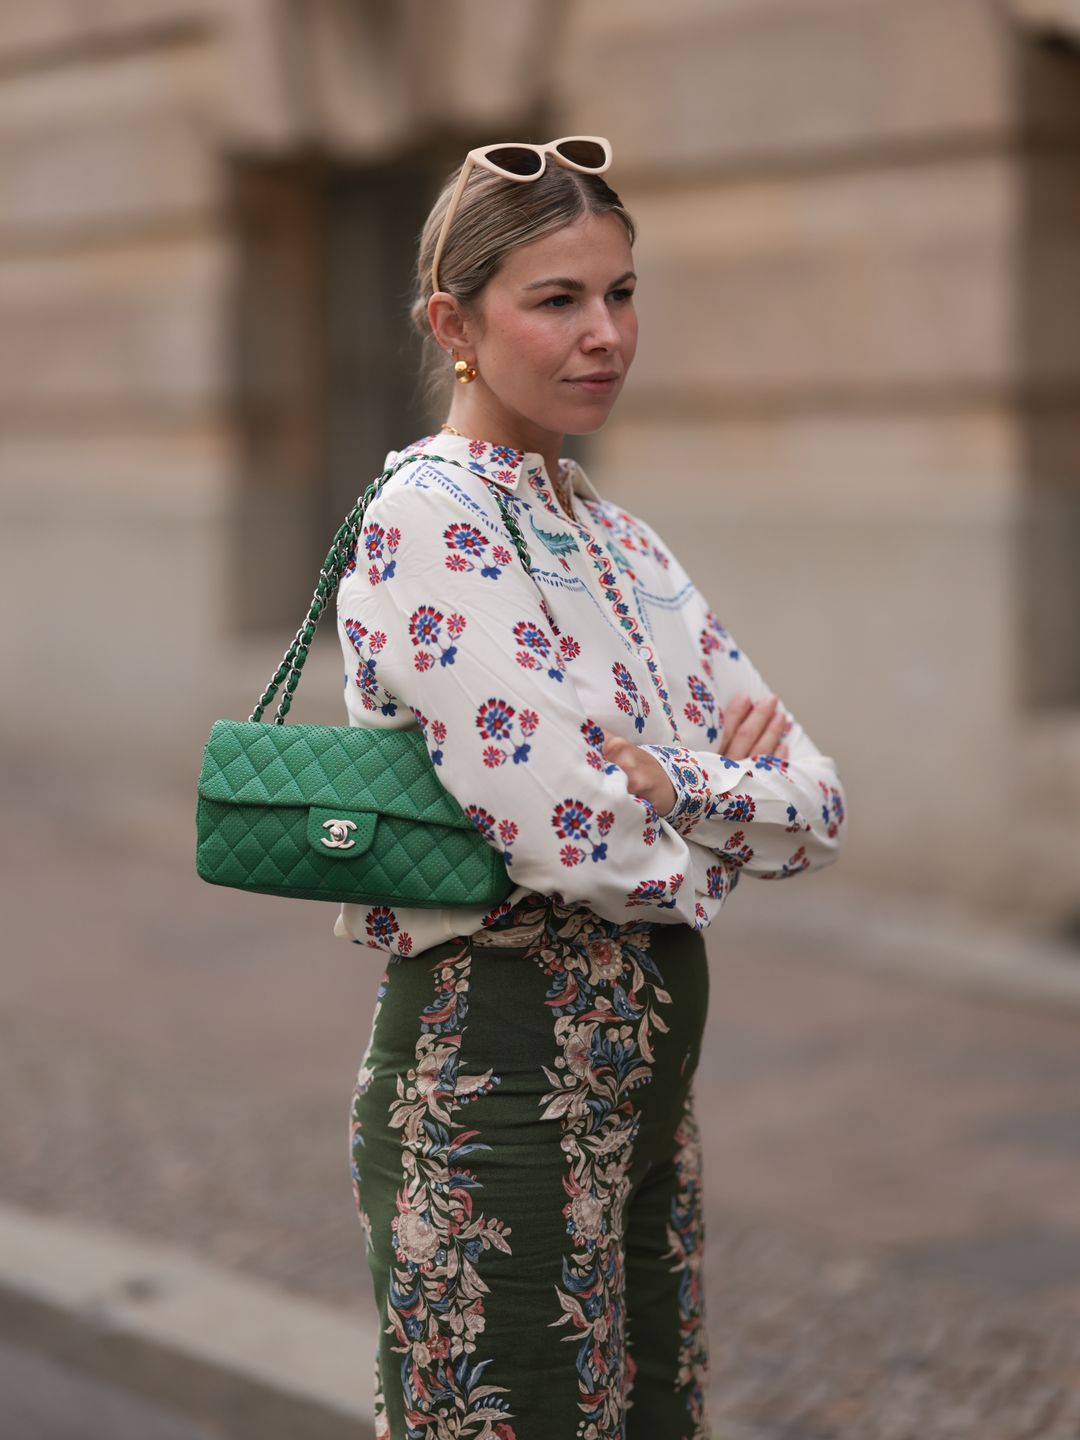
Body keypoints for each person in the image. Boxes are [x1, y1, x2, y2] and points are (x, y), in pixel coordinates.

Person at [334, 136, 846, 1440]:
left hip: (650, 1101)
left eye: (621, 293)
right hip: (494, 1096)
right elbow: (574, 839)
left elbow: (822, 805)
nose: (605, 333)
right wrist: (721, 796)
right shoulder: (428, 520)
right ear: (453, 322)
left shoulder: (619, 537)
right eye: (557, 299)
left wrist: (669, 778)